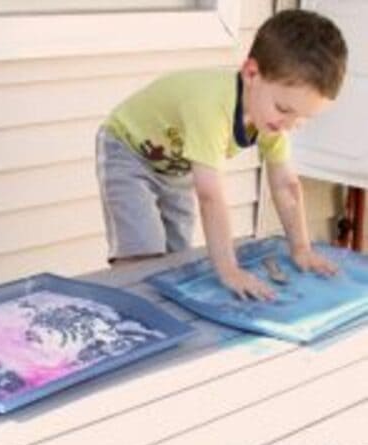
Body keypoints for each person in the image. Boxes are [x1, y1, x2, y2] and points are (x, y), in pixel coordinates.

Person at [96, 9, 347, 300]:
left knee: (177, 255)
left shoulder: (273, 122)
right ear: (251, 74)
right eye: (284, 109)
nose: (290, 125)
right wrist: (229, 270)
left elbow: (286, 186)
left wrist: (301, 248)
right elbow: (210, 196)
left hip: (175, 166)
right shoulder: (212, 107)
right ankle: (127, 307)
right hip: (129, 150)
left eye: (303, 118)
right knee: (142, 251)